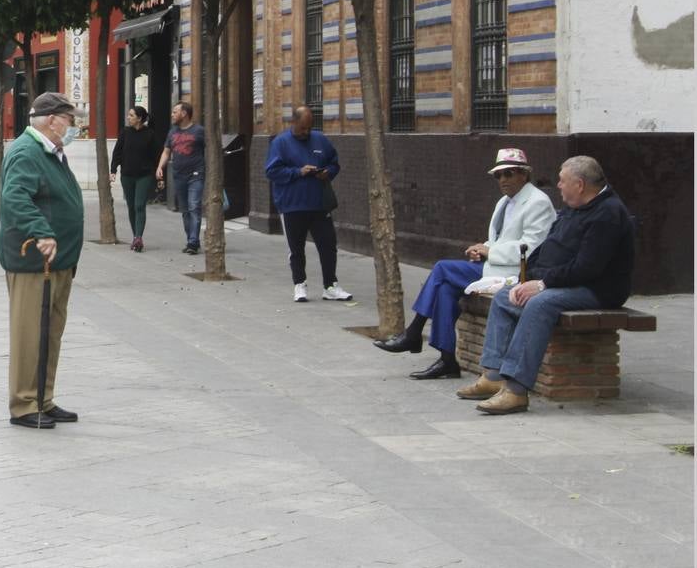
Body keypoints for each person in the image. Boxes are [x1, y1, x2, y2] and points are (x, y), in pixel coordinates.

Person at [457, 156, 635, 415]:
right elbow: (547, 248)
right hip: (565, 281)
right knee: (506, 295)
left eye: (563, 181)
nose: (559, 186)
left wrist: (541, 285)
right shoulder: (576, 206)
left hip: (598, 290)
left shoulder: (608, 214)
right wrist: (527, 278)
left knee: (540, 304)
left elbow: (587, 269)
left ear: (580, 184)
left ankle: (517, 391)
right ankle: (493, 376)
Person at [374, 148, 555, 379]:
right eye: (498, 176)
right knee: (446, 289)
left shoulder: (537, 202)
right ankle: (447, 359)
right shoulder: (504, 202)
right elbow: (500, 239)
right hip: (494, 266)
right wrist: (481, 248)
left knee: (442, 268)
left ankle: (414, 332)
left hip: (515, 273)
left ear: (523, 174)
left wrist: (490, 251)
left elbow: (531, 247)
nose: (503, 180)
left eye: (508, 174)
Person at [0, 92, 86, 429]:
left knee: (49, 332)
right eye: (70, 120)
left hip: (57, 260)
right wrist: (42, 231)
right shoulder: (26, 151)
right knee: (30, 332)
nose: (73, 126)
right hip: (35, 259)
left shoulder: (49, 151)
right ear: (53, 120)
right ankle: (23, 403)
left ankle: (43, 398)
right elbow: (15, 198)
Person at [264, 106, 351, 302]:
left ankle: (330, 286)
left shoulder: (320, 139)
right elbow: (271, 172)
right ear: (293, 123)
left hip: (319, 204)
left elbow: (334, 163)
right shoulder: (280, 143)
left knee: (328, 245)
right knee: (296, 248)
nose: (306, 132)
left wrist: (327, 172)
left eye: (309, 128)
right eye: (303, 128)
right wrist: (298, 172)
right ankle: (300, 284)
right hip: (292, 205)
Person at [155, 101, 207, 255]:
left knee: (194, 207)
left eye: (175, 112)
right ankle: (192, 239)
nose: (172, 115)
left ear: (184, 113)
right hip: (178, 175)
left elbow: (210, 148)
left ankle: (192, 242)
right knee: (185, 210)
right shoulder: (172, 132)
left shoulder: (199, 131)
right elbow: (166, 152)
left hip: (196, 174)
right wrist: (160, 167)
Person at [110, 106, 160, 252]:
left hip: (144, 175)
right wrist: (113, 170)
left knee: (139, 205)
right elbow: (117, 152)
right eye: (128, 115)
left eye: (131, 115)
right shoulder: (125, 132)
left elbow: (157, 155)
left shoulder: (150, 134)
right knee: (131, 206)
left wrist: (159, 172)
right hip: (127, 175)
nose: (128, 117)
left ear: (139, 118)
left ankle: (139, 236)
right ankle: (135, 237)